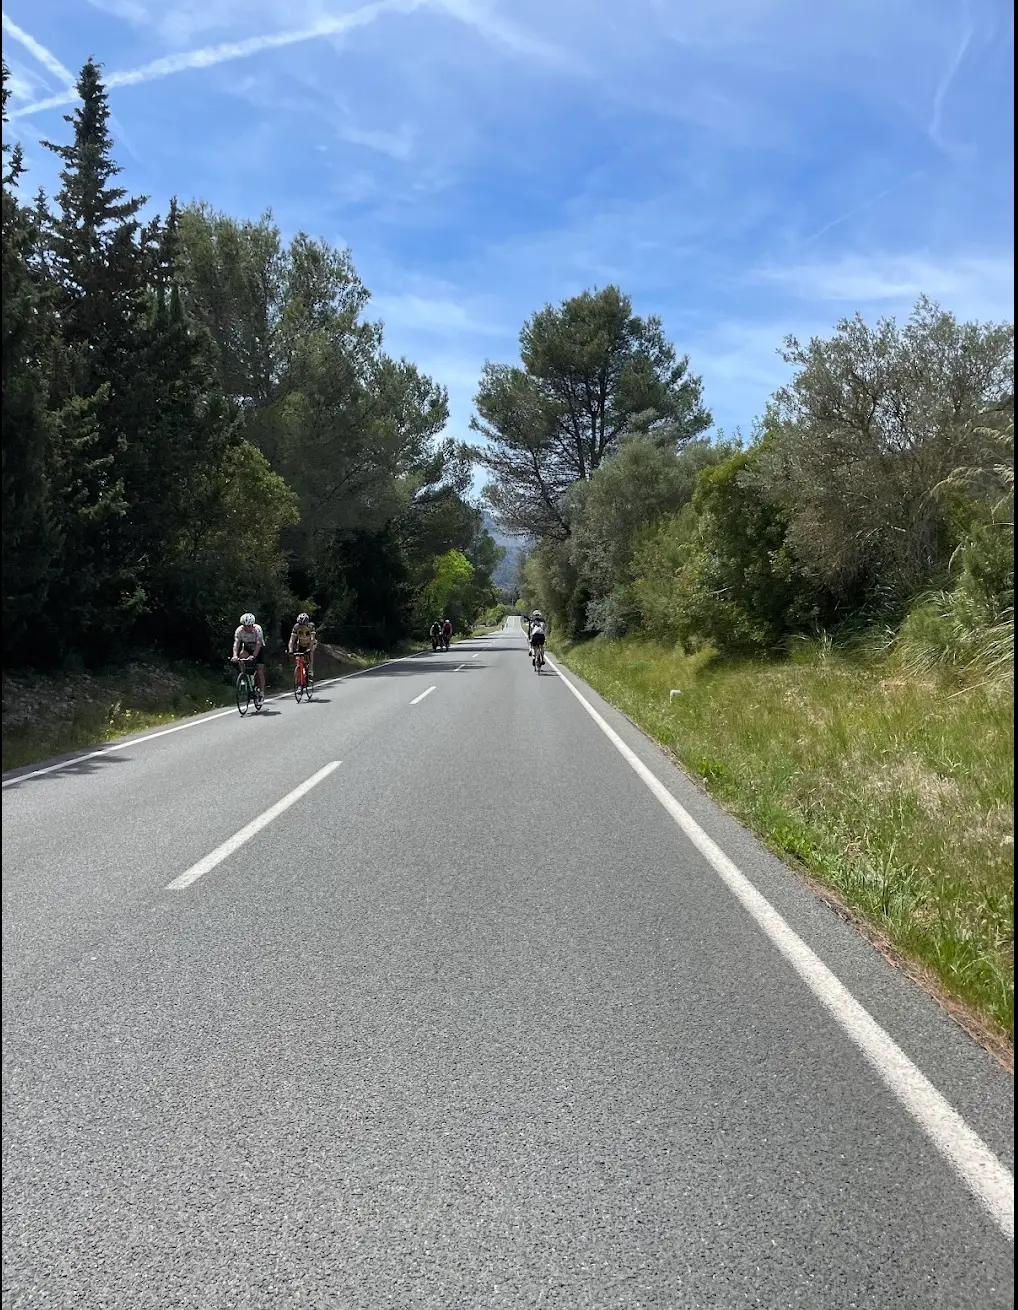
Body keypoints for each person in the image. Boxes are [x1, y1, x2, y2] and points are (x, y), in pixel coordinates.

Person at [232, 613, 266, 698]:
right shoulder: (239, 630)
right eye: (245, 626)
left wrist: (254, 656)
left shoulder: (257, 629)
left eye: (249, 626)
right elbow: (236, 644)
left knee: (260, 671)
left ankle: (261, 693)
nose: (247, 628)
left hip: (258, 649)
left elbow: (258, 644)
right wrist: (235, 656)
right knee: (241, 657)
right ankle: (244, 677)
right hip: (247, 648)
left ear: (252, 625)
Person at [288, 612, 317, 682]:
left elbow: (312, 639)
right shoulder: (296, 627)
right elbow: (291, 640)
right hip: (301, 643)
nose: (301, 626)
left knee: (310, 653)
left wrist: (309, 649)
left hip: (311, 643)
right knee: (298, 660)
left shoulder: (311, 626)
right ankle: (299, 682)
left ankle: (310, 671)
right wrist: (290, 650)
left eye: (303, 624)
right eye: (300, 624)